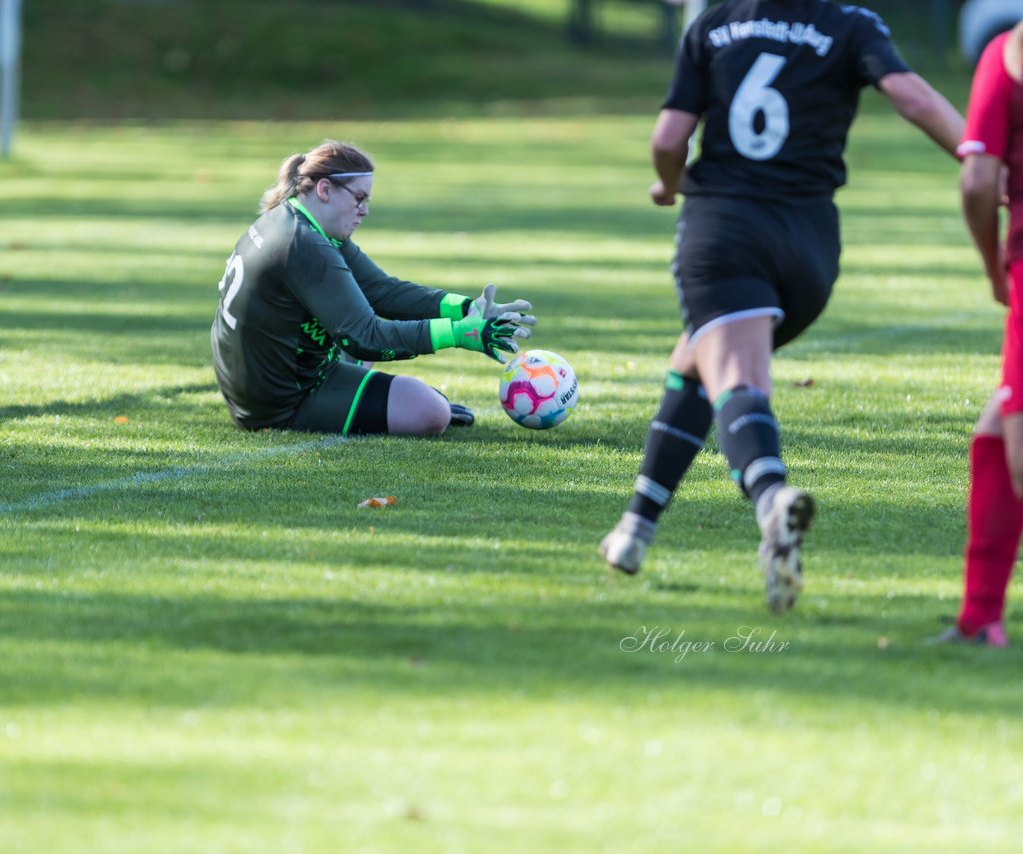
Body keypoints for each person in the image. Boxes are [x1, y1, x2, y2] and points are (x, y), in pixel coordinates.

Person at [598, 1, 964, 613]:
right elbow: (917, 100)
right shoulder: (850, 22)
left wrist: (668, 183)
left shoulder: (716, 23)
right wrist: (980, 157)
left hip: (728, 231)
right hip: (812, 247)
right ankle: (635, 529)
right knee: (695, 358)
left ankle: (771, 499)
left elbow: (668, 138)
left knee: (735, 373)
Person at [210, 140, 535, 436]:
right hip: (282, 403)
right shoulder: (307, 247)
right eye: (358, 198)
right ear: (325, 189)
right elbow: (364, 337)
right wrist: (459, 333)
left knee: (361, 328)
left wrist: (463, 308)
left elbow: (381, 290)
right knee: (432, 411)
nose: (364, 210)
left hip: (258, 386)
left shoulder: (295, 220)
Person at [929, 23, 1023, 647]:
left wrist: (994, 265)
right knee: (996, 426)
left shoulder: (1008, 53)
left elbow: (976, 181)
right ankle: (979, 618)